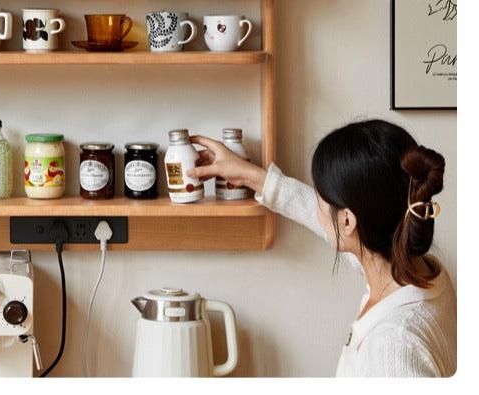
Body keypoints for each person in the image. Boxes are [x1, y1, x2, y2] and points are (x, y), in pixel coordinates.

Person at [188, 119, 456, 377]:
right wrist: (250, 174)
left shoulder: (393, 348)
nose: (316, 205)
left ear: (348, 221)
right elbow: (318, 216)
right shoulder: (417, 271)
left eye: (321, 197)